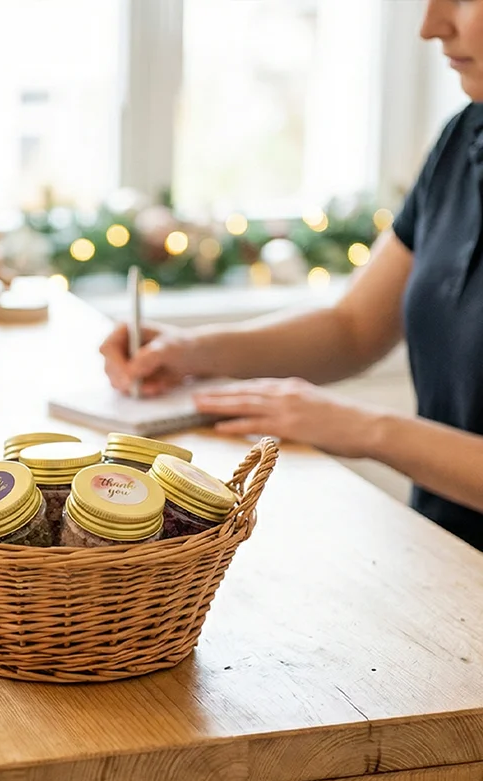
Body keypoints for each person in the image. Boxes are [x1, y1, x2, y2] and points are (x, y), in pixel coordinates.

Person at [100, 0, 483, 547]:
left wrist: (367, 428)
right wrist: (193, 352)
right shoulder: (463, 138)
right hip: (446, 559)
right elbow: (352, 327)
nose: (431, 26)